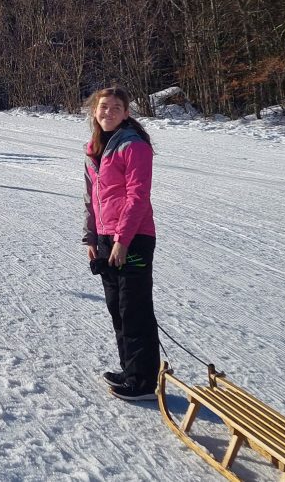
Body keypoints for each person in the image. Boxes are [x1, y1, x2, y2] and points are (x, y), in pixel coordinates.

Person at [82, 86, 159, 402]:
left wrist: (122, 241)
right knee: (117, 308)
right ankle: (131, 370)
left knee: (134, 309)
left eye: (116, 108)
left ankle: (143, 382)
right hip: (105, 239)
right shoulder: (94, 149)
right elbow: (91, 199)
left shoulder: (134, 147)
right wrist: (91, 238)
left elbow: (137, 196)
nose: (108, 112)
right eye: (103, 107)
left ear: (126, 113)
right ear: (94, 112)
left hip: (133, 239)